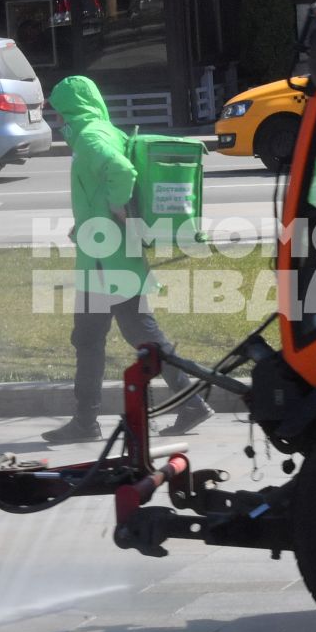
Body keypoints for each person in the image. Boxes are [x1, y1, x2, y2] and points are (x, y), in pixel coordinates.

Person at [41, 75, 210, 445]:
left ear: (72, 109)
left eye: (58, 112)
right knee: (122, 334)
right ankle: (187, 402)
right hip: (109, 255)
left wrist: (117, 203)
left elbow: (121, 170)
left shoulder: (89, 137)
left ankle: (91, 420)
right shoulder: (103, 129)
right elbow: (100, 188)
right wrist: (86, 223)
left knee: (111, 337)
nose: (56, 121)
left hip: (106, 262)